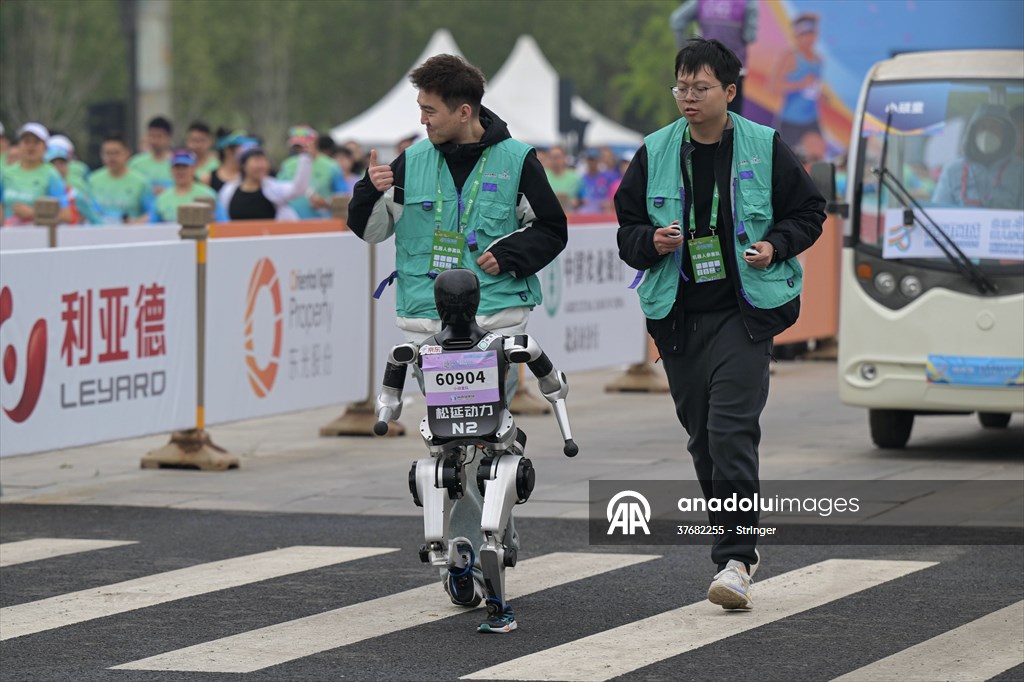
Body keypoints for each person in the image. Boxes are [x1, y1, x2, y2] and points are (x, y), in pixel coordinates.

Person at [347, 53, 567, 634]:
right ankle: (479, 543)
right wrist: (365, 191)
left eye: (430, 110)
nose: (422, 121)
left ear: (464, 111)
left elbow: (552, 228)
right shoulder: (410, 161)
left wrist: (510, 254)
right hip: (430, 329)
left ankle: (473, 547)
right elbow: (369, 230)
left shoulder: (518, 160)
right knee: (452, 444)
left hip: (496, 324)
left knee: (485, 437)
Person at [615, 38, 824, 610]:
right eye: (681, 86)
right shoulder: (655, 150)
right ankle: (736, 543)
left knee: (732, 431)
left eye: (700, 87)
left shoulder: (764, 145)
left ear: (730, 93)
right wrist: (648, 241)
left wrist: (774, 245)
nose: (688, 96)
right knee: (702, 440)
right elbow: (626, 227)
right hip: (677, 317)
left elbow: (809, 213)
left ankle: (735, 559)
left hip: (743, 313)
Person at [670, 0, 758, 114]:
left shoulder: (701, 2)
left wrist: (686, 51)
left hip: (704, 68)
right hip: (735, 69)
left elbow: (677, 21)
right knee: (733, 119)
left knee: (701, 114)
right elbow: (750, 36)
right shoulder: (748, 3)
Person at [932, 105, 1024, 210]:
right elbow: (939, 213)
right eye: (982, 127)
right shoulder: (952, 171)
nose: (987, 133)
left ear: (1006, 134)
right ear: (972, 132)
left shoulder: (1020, 171)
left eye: (994, 127)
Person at [216, 140, 313, 221]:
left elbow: (298, 189)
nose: (262, 165)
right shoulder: (228, 191)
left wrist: (305, 158)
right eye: (257, 160)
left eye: (264, 160)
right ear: (243, 165)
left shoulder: (274, 188)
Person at [0, 123, 70, 226]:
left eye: (36, 142)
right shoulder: (6, 173)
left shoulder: (51, 175)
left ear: (45, 147)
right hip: (9, 237)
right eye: (26, 141)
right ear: (19, 145)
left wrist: (33, 213)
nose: (31, 146)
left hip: (39, 237)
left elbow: (66, 215)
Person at [772, 13, 823, 149]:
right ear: (797, 36)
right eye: (804, 34)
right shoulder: (790, 58)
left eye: (811, 34)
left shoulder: (818, 60)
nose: (808, 38)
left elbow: (812, 91)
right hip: (791, 121)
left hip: (811, 120)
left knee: (817, 159)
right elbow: (774, 87)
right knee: (790, 163)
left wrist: (822, 96)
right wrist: (800, 84)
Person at [278, 126, 349, 219]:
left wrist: (326, 202)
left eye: (304, 146)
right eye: (296, 146)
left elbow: (343, 196)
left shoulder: (331, 166)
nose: (300, 150)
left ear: (315, 143)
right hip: (292, 223)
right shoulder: (287, 165)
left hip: (322, 224)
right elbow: (277, 193)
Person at [88, 134, 156, 224]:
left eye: (116, 153)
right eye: (107, 153)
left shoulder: (141, 182)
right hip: (99, 234)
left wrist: (136, 222)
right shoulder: (92, 180)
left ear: (127, 153)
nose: (112, 158)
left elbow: (152, 213)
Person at [155, 149, 218, 223]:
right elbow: (151, 227)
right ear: (171, 170)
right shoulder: (162, 198)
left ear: (193, 168)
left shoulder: (208, 194)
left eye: (185, 167)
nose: (181, 171)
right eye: (177, 167)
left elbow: (223, 224)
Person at [129, 116, 174, 195]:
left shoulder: (177, 163)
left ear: (168, 137)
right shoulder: (135, 163)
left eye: (159, 136)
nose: (154, 141)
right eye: (151, 136)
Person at [544, 145, 582, 211]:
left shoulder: (575, 177)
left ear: (564, 158)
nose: (555, 160)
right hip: (549, 214)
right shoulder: (543, 176)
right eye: (552, 157)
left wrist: (577, 202)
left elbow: (584, 198)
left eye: (557, 157)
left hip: (570, 215)